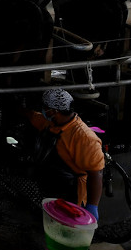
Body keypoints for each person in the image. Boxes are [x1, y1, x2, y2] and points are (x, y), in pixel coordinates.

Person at [26, 88, 104, 221]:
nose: (43, 110)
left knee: (68, 224)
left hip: (72, 192)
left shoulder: (84, 137)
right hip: (53, 184)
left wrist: (92, 206)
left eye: (44, 107)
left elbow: (96, 174)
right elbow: (34, 117)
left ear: (54, 111)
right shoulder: (51, 123)